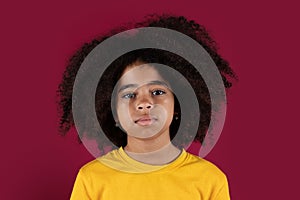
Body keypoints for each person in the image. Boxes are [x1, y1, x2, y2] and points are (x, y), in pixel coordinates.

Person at [57, 14, 238, 200]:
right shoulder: (92, 178)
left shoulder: (209, 180)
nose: (144, 103)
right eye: (129, 95)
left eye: (158, 92)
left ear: (179, 103)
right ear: (113, 112)